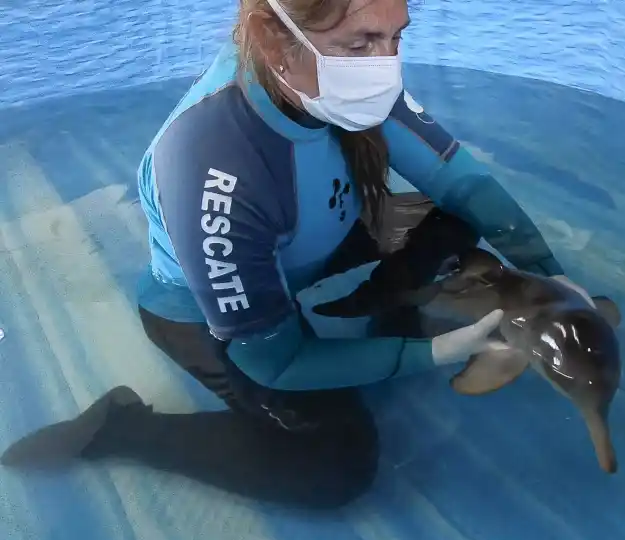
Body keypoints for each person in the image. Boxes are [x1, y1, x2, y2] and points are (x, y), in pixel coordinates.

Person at [1, 0, 565, 509]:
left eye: (397, 38)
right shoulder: (214, 165)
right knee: (334, 464)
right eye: (361, 44)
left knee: (458, 218)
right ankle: (123, 430)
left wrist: (554, 282)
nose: (386, 66)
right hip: (203, 317)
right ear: (275, 39)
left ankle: (389, 311)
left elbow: (460, 182)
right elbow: (276, 361)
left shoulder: (323, 74)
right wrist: (436, 352)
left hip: (313, 240)